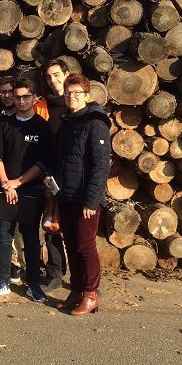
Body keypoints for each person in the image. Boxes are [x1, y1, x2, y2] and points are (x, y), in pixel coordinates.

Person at [0, 78, 53, 303]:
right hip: (5, 190)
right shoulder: (5, 124)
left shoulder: (42, 127)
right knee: (3, 237)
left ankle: (33, 284)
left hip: (31, 190)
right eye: (18, 97)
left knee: (31, 239)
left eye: (26, 97)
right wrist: (6, 183)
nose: (22, 101)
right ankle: (2, 281)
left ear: (34, 98)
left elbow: (44, 162)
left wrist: (19, 182)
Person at [50, 74, 111, 315]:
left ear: (87, 96)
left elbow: (100, 166)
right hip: (67, 194)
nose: (71, 97)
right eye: (68, 93)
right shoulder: (68, 122)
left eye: (77, 93)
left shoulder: (95, 123)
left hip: (85, 197)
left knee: (85, 246)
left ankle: (90, 293)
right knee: (72, 244)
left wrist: (91, 199)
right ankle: (76, 290)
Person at [39, 58, 72, 289]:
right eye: (49, 77)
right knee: (51, 224)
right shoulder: (44, 105)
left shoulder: (81, 102)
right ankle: (55, 272)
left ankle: (85, 277)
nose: (53, 80)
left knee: (78, 228)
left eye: (57, 75)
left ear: (66, 74)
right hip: (49, 173)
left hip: (73, 173)